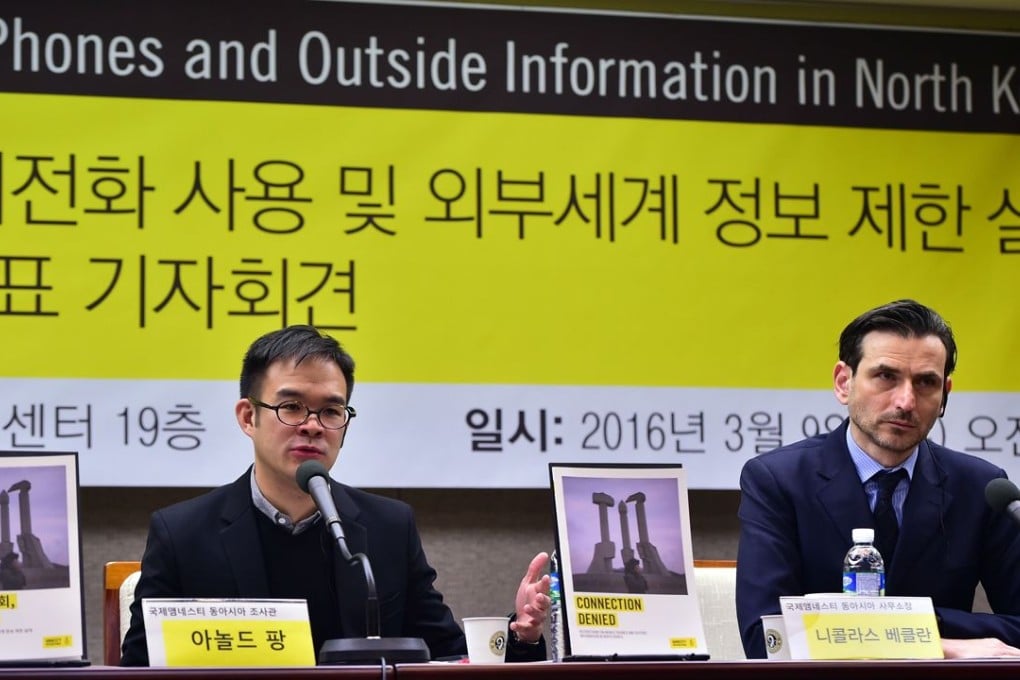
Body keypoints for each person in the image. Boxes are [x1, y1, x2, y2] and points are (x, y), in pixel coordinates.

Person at [121, 325, 550, 665]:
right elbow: (140, 670)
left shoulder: (387, 528)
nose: (312, 425)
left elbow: (446, 656)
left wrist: (521, 635)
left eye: (330, 411)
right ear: (248, 416)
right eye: (291, 407)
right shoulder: (182, 534)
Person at [736, 299, 1020, 660]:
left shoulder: (982, 488)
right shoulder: (777, 480)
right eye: (886, 376)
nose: (905, 401)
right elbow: (766, 635)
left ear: (944, 395)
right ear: (844, 382)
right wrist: (931, 640)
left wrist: (895, 628)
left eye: (926, 383)